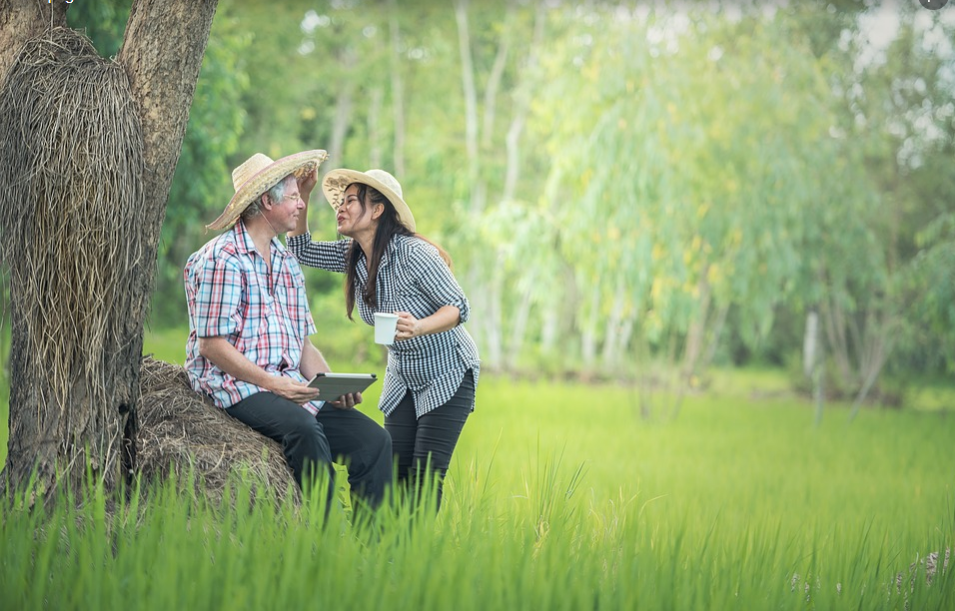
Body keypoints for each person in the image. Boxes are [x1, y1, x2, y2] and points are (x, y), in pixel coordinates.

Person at [183, 150, 392, 511]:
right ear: (267, 201)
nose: (301, 205)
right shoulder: (224, 259)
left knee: (373, 442)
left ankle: (370, 551)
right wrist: (273, 383)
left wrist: (331, 384)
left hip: (286, 384)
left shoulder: (285, 262)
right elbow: (212, 346)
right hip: (237, 385)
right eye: (295, 196)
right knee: (304, 431)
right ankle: (322, 540)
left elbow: (302, 344)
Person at [287, 168, 480, 511]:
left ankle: (414, 558)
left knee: (423, 479)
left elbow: (458, 307)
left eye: (350, 201)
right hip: (403, 376)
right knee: (391, 472)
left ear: (377, 210)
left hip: (446, 372)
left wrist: (419, 326)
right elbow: (301, 250)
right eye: (339, 202)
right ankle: (385, 555)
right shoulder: (355, 257)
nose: (340, 209)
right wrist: (303, 194)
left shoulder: (412, 253)